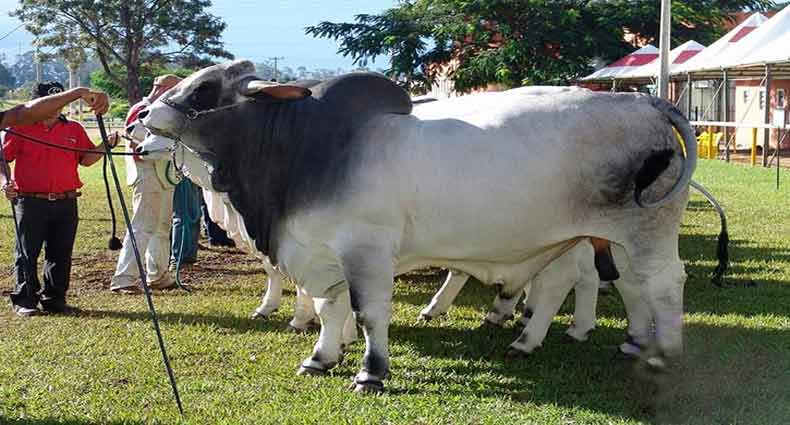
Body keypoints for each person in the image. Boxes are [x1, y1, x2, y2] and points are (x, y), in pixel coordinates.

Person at [0, 81, 113, 316]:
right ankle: (25, 300)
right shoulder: (20, 128)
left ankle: (55, 300)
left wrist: (106, 145)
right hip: (30, 200)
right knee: (27, 253)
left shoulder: (74, 129)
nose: (56, 108)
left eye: (60, 102)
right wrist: (5, 182)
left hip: (66, 200)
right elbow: (3, 159)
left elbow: (86, 159)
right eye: (51, 102)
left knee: (61, 253)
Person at [110, 75, 182, 294]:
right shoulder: (142, 109)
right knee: (143, 226)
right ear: (162, 89)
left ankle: (158, 275)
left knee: (161, 227)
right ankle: (124, 278)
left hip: (163, 173)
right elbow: (137, 142)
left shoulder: (161, 111)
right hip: (147, 172)